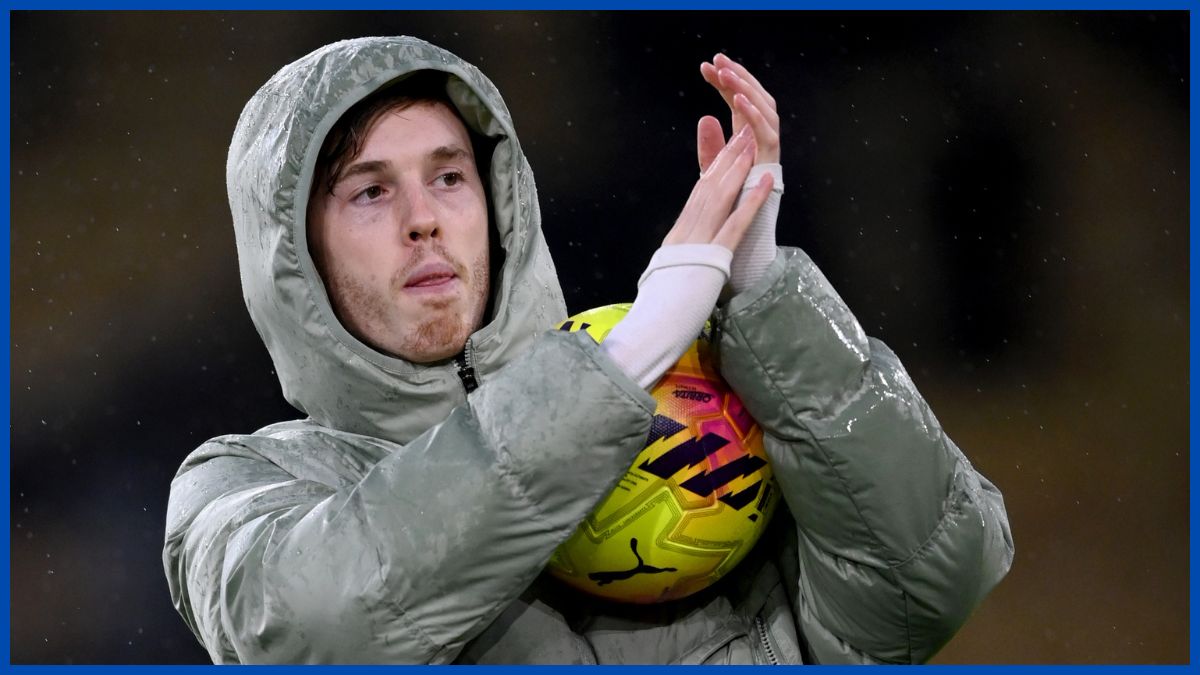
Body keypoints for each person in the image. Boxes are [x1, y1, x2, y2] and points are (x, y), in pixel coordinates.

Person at [162, 35, 1013, 664]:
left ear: (496, 202)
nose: (424, 218)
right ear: (295, 255)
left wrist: (765, 296)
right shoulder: (244, 485)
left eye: (449, 176)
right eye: (370, 191)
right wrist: (613, 368)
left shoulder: (710, 404)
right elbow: (318, 630)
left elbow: (931, 578)